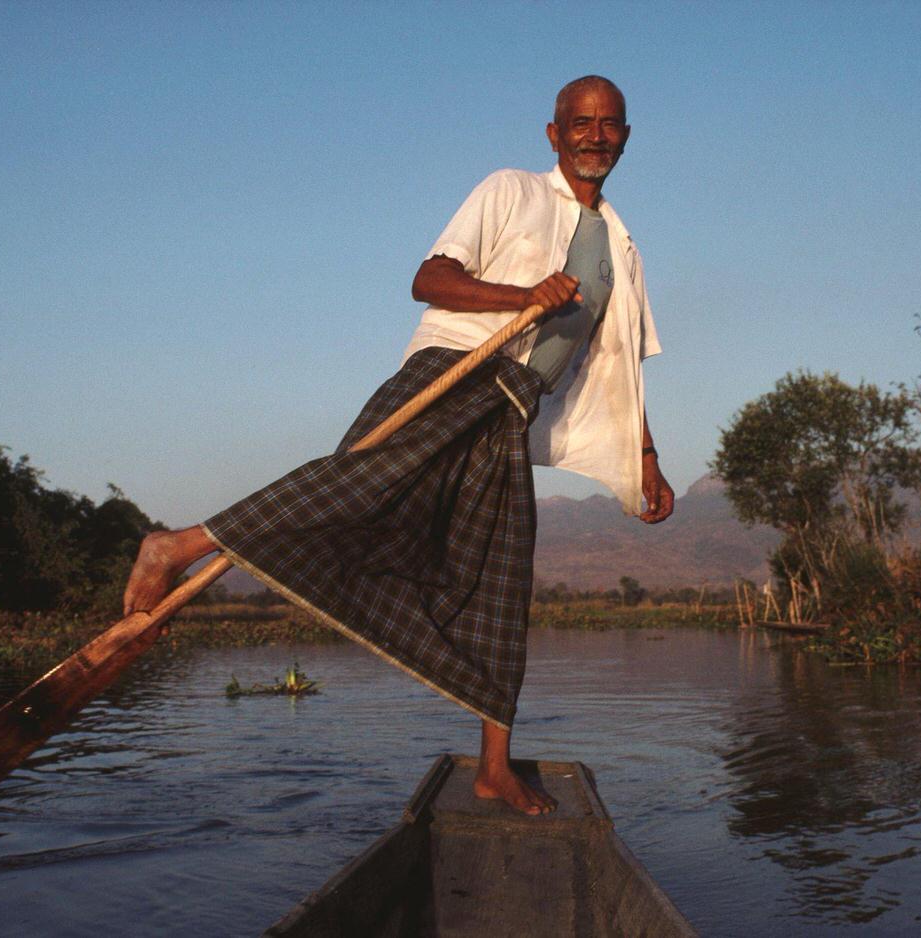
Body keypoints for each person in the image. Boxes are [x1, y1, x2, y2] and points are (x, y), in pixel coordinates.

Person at [123, 75, 673, 816]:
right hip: (454, 373)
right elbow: (429, 279)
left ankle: (492, 768)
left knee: (501, 578)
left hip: (510, 408)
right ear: (553, 133)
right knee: (353, 491)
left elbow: (619, 363)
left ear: (626, 138)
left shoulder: (622, 249)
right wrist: (521, 295)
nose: (595, 135)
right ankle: (174, 546)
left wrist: (645, 459)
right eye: (580, 122)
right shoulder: (510, 190)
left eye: (609, 125)